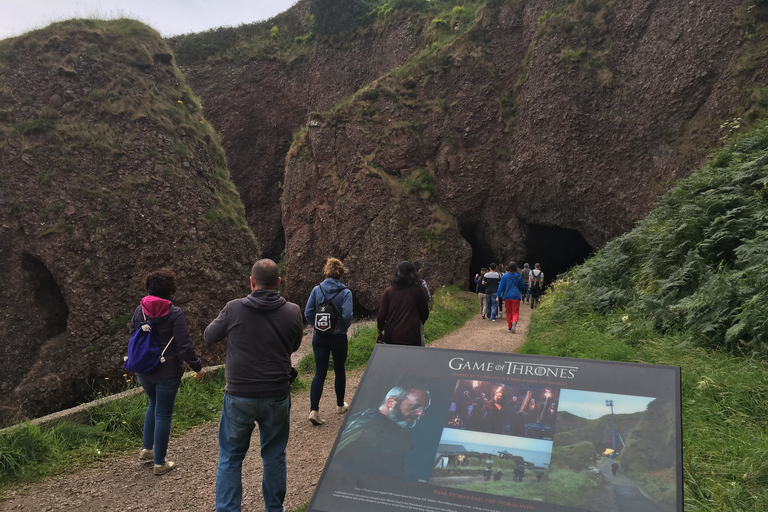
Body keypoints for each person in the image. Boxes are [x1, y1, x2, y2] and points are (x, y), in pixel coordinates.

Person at [204, 259, 303, 512]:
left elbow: (209, 336)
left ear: (251, 282)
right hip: (276, 395)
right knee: (273, 454)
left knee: (231, 457)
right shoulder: (293, 311)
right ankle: (274, 508)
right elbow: (293, 346)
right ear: (278, 282)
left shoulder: (233, 309)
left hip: (239, 394)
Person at [130, 268, 205, 476]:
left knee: (152, 404)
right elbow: (184, 345)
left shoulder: (140, 310)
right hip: (168, 370)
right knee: (163, 413)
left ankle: (147, 449)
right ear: (171, 290)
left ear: (149, 289)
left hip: (143, 368)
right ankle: (160, 462)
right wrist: (196, 366)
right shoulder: (174, 313)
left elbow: (132, 334)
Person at [333, 384, 431, 479]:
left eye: (423, 408)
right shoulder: (384, 437)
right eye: (415, 406)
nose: (421, 413)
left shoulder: (359, 417)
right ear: (390, 403)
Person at [304, 257, 353, 426]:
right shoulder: (345, 292)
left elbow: (308, 312)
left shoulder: (317, 290)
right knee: (339, 370)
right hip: (338, 337)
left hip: (320, 337)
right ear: (341, 273)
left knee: (320, 372)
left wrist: (317, 326)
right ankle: (340, 405)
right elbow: (347, 315)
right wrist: (341, 327)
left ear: (326, 271)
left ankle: (314, 410)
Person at [377, 261, 430, 346]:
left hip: (392, 337)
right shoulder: (418, 291)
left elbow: (381, 315)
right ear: (413, 274)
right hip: (412, 337)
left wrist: (379, 331)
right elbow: (425, 313)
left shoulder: (388, 291)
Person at [497, 261, 525, 333]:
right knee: (515, 312)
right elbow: (522, 286)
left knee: (509, 312)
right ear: (515, 267)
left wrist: (498, 295)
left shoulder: (505, 276)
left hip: (507, 296)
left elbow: (501, 286)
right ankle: (514, 321)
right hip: (516, 296)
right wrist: (523, 293)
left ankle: (509, 327)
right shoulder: (518, 276)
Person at [412, 261, 432, 345]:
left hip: (404, 314)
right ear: (419, 270)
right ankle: (421, 353)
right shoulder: (422, 283)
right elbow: (428, 298)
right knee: (420, 335)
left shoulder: (403, 283)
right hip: (418, 315)